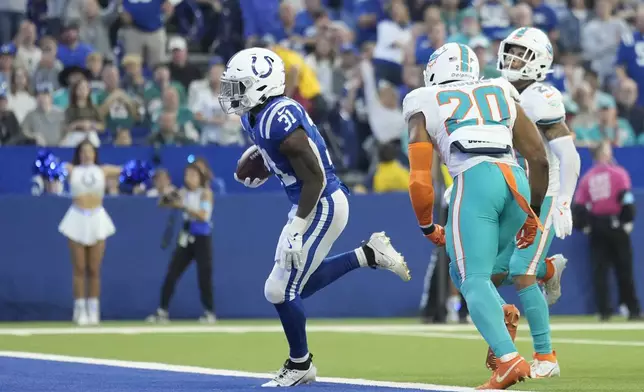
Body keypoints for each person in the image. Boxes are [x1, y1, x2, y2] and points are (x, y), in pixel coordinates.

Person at [218, 47, 410, 387]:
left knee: (279, 289)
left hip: (321, 203)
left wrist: (297, 226)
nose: (232, 94)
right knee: (289, 287)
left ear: (262, 85)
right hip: (309, 201)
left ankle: (300, 363)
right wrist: (264, 159)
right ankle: (367, 255)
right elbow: (285, 157)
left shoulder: (279, 119)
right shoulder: (257, 114)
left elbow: (316, 177)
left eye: (239, 86)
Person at [402, 42, 550, 389]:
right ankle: (500, 311)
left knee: (472, 278)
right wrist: (534, 213)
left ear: (436, 70)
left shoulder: (422, 99)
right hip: (516, 181)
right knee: (461, 266)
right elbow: (539, 158)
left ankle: (509, 360)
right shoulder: (500, 87)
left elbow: (420, 178)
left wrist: (425, 224)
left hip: (475, 180)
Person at [489, 26, 583, 378]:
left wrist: (564, 201)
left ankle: (546, 358)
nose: (512, 59)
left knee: (521, 271)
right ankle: (550, 269)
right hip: (515, 194)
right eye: (510, 51)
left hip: (544, 194)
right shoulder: (498, 90)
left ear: (539, 61)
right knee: (492, 273)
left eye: (521, 53)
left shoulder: (541, 96)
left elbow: (568, 154)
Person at [573, 142, 640, 321]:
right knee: (624, 269)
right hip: (616, 224)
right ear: (603, 154)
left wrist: (585, 225)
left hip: (596, 227)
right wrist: (627, 220)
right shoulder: (618, 173)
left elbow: (579, 206)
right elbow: (625, 196)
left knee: (600, 271)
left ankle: (604, 311)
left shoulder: (588, 178)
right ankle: (631, 309)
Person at [59, 140, 122, 326]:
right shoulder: (71, 170)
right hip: (77, 217)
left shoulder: (103, 170)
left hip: (97, 218)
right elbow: (49, 167)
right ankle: (79, 309)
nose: (87, 155)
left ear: (95, 154)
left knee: (94, 269)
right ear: (78, 154)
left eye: (90, 151)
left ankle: (93, 309)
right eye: (83, 151)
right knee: (79, 268)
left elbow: (126, 171)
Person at [146, 163, 216, 324]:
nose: (188, 178)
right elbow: (161, 204)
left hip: (202, 238)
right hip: (186, 236)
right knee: (172, 272)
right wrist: (168, 195)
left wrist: (183, 205)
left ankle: (209, 312)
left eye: (192, 175)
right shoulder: (182, 193)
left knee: (204, 276)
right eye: (186, 175)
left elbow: (204, 215)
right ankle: (162, 311)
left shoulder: (205, 193)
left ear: (200, 178)